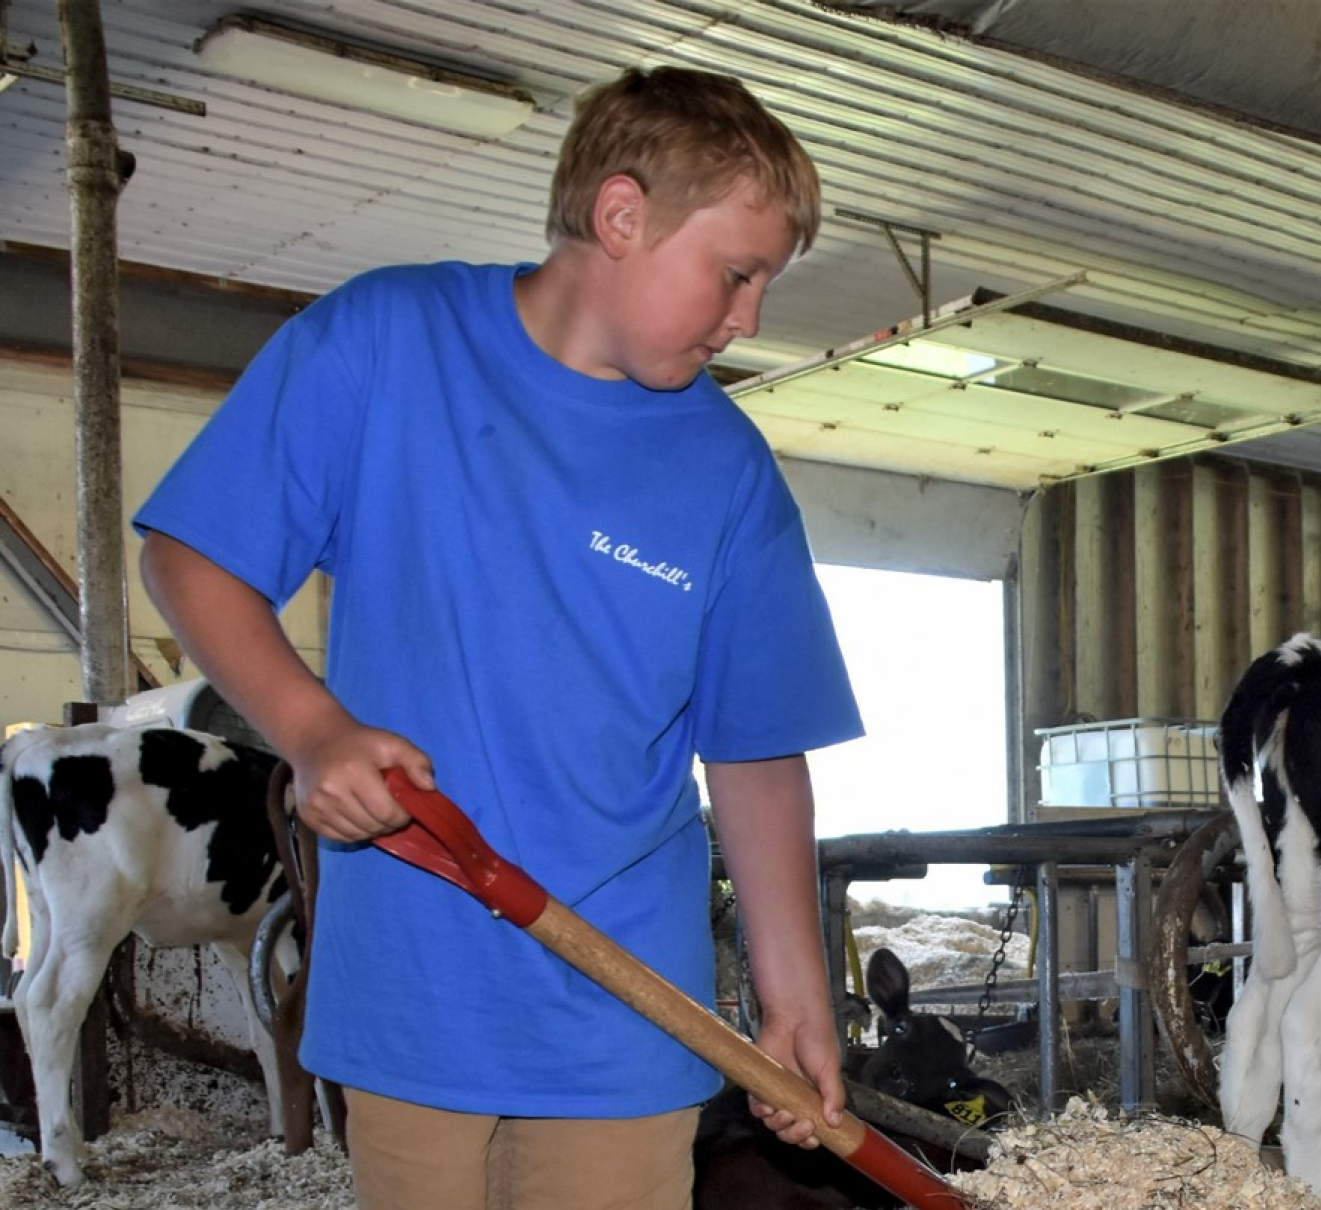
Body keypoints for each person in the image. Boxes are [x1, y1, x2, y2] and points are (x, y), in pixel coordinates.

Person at [134, 66, 863, 1210]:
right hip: (418, 988)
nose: (751, 318)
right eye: (735, 273)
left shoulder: (726, 470)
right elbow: (192, 552)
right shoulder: (387, 342)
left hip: (627, 1010)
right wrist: (314, 730)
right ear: (621, 217)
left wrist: (796, 1001)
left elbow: (759, 750)